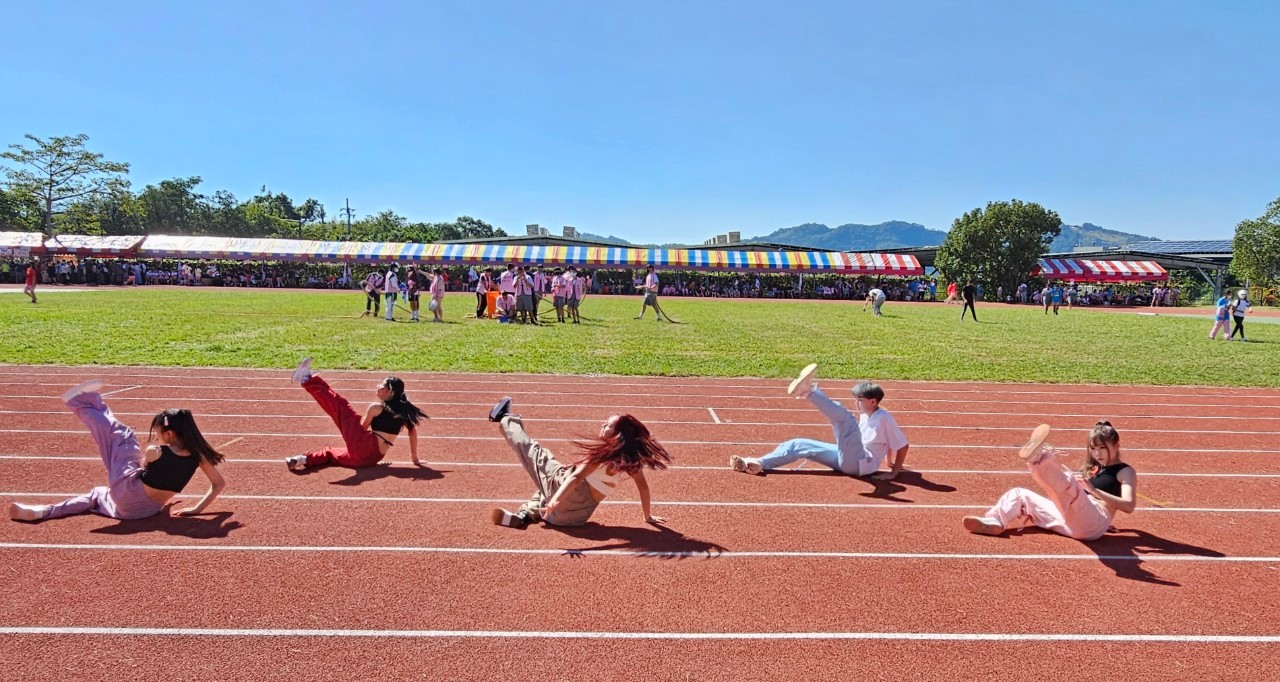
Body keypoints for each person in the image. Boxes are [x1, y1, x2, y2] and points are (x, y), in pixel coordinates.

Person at [9, 379, 226, 522]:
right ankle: (44, 511)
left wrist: (147, 457)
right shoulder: (200, 456)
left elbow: (146, 466)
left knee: (123, 435)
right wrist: (196, 510)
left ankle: (80, 402)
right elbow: (219, 484)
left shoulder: (157, 450)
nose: (156, 436)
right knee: (96, 495)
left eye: (158, 431)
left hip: (127, 492)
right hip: (140, 512)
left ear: (169, 434)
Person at [487, 396, 671, 528]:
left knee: (533, 451)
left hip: (560, 504)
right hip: (571, 519)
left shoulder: (601, 455)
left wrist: (556, 501)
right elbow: (644, 489)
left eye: (608, 426)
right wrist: (648, 516)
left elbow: (575, 477)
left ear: (618, 434)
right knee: (547, 485)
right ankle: (526, 514)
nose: (603, 425)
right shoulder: (631, 461)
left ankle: (504, 418)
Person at [962, 421, 1136, 541]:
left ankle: (1039, 459)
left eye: (1102, 448)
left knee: (1070, 486)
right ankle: (995, 522)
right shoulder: (1096, 468)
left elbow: (1128, 506)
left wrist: (1093, 491)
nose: (1097, 453)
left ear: (1117, 446)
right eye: (1093, 448)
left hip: (1094, 518)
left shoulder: (1125, 471)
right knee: (1020, 495)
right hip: (1073, 521)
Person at [730, 364, 909, 480]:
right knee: (799, 444)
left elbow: (902, 445)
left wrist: (893, 472)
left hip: (862, 464)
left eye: (860, 400)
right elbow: (888, 443)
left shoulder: (884, 418)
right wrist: (888, 461)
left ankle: (808, 392)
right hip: (849, 458)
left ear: (873, 402)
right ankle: (756, 463)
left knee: (846, 420)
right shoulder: (865, 416)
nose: (856, 403)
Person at [284, 358, 425, 470]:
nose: (378, 386)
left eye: (382, 385)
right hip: (370, 459)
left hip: (365, 446)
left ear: (390, 392)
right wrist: (415, 459)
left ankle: (306, 379)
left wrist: (360, 419)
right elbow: (412, 433)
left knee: (342, 407)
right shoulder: (404, 411)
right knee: (330, 453)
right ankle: (301, 460)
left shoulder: (376, 408)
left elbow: (361, 428)